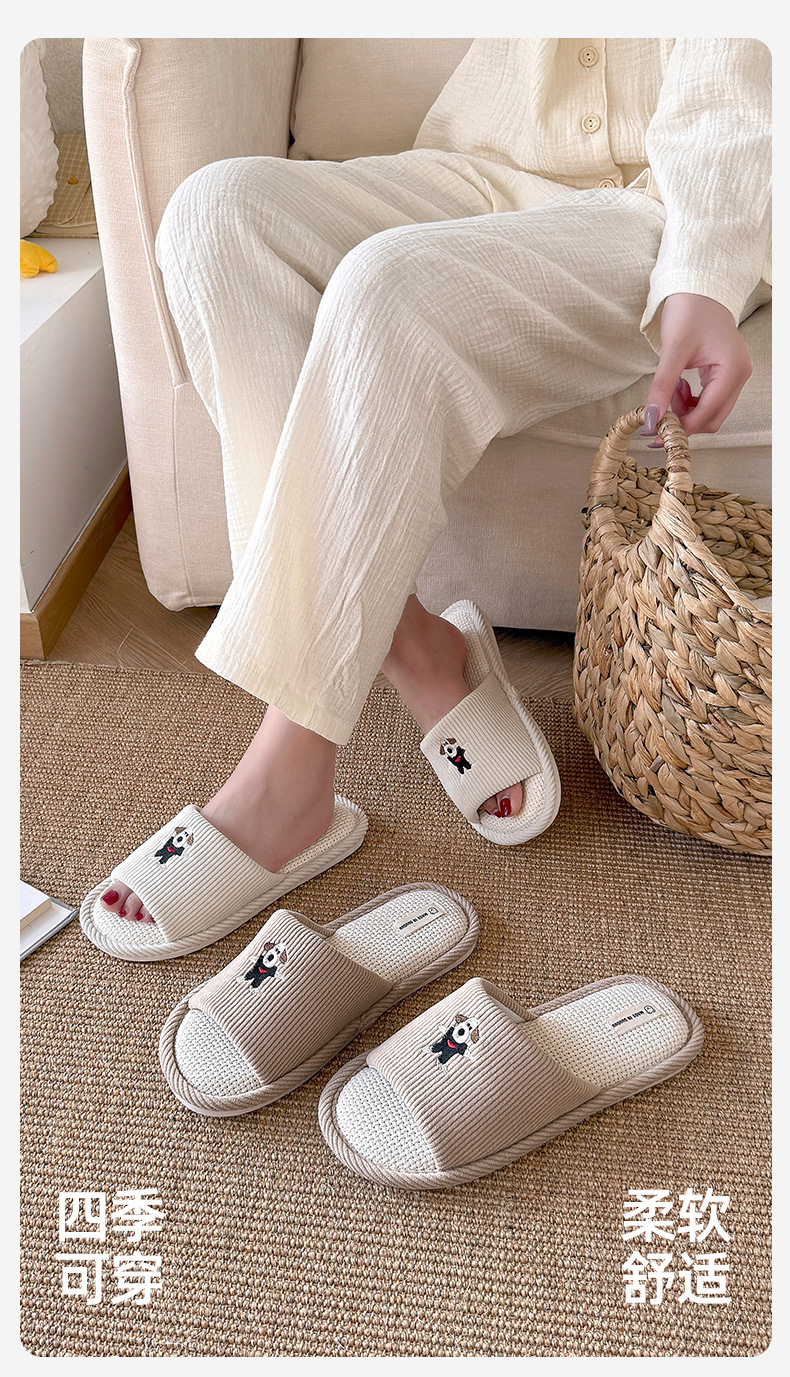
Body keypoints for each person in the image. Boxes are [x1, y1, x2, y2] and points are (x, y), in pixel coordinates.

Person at [91, 37, 771, 928]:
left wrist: (706, 276)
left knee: (385, 284)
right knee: (214, 216)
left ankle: (289, 773)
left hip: (658, 200)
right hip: (482, 161)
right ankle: (413, 643)